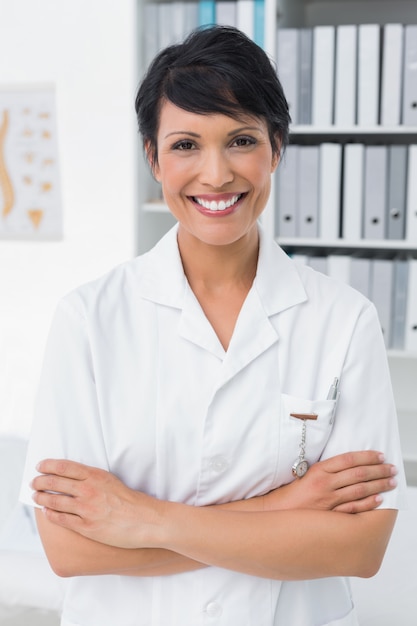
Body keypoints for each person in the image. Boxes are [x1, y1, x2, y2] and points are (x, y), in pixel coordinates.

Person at [20, 25, 406, 626]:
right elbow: (68, 550)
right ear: (152, 158)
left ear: (276, 149)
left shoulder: (344, 320)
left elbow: (360, 547)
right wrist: (287, 508)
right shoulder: (89, 320)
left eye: (241, 140)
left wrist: (142, 519)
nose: (216, 173)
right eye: (185, 145)